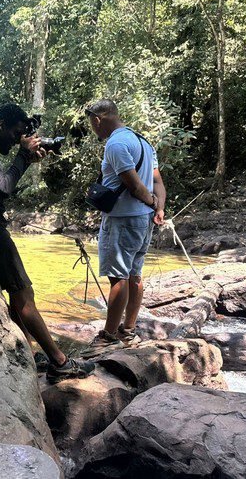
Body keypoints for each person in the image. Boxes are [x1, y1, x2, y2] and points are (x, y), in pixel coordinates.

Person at [0, 102, 95, 383]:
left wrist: (26, 160)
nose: (18, 139)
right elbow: (4, 188)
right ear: (1, 125)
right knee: (24, 296)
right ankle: (60, 362)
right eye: (16, 133)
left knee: (18, 294)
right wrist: (23, 155)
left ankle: (27, 354)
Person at [81, 99, 167, 358]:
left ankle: (108, 337)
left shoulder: (116, 144)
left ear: (98, 119)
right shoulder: (143, 141)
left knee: (118, 277)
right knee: (134, 275)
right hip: (143, 220)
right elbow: (157, 182)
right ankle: (128, 331)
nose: (93, 128)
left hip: (122, 219)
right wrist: (159, 208)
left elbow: (135, 186)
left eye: (92, 123)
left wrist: (151, 202)